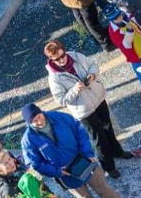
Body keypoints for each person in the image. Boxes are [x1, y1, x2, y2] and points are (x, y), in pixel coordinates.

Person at [20, 103, 134, 198]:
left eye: (39, 117)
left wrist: (87, 153)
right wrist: (56, 171)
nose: (39, 122)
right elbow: (35, 164)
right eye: (34, 121)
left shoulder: (60, 117)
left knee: (103, 187)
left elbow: (80, 131)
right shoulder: (28, 140)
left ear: (42, 112)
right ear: (28, 123)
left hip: (84, 161)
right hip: (65, 173)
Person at [43, 40, 134, 180]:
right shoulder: (54, 77)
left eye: (62, 56)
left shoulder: (75, 56)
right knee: (99, 139)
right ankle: (109, 167)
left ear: (64, 51)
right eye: (57, 59)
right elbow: (61, 100)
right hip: (84, 110)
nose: (61, 60)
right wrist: (75, 90)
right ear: (51, 59)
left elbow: (93, 65)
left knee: (108, 127)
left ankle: (117, 151)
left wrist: (91, 76)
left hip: (98, 97)